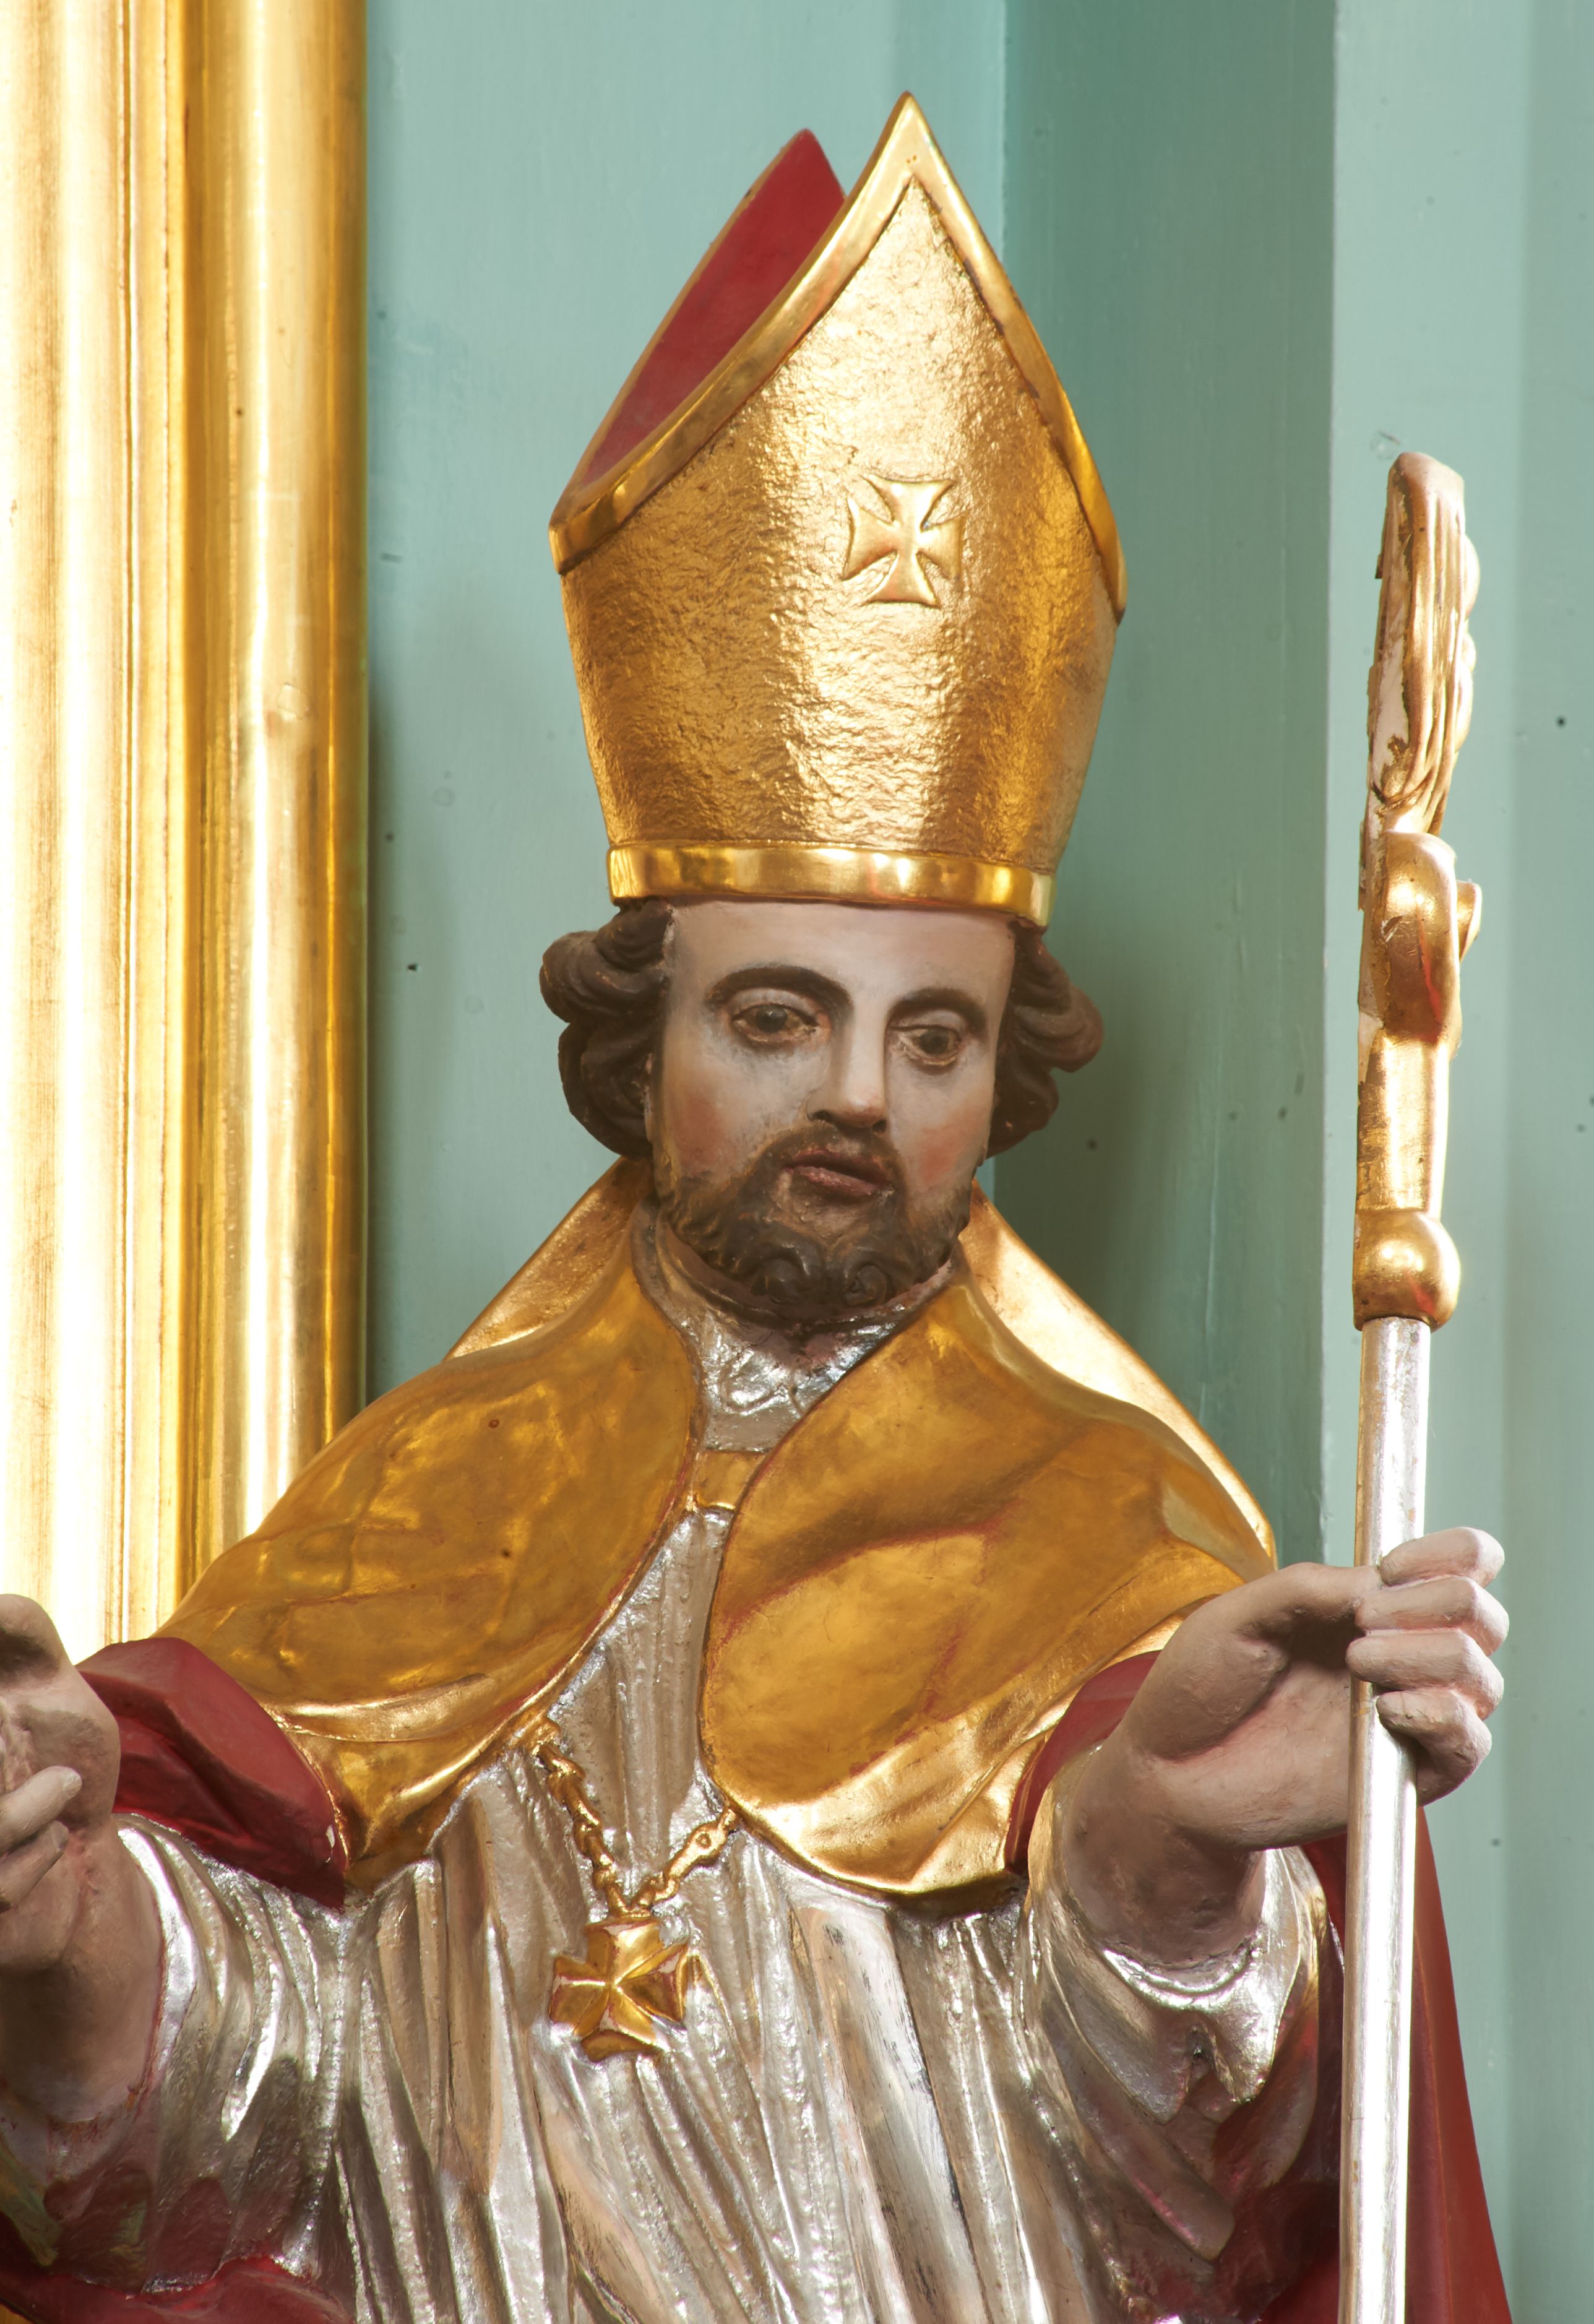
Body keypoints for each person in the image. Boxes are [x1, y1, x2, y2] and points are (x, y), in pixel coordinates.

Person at [0, 98, 1507, 2324]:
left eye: (935, 1038)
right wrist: (76, 1931)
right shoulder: (430, 1502)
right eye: (781, 1018)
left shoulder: (1116, 1537)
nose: (859, 1101)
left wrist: (1164, 1863)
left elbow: (1197, 2208)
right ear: (641, 1038)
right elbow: (249, 2126)